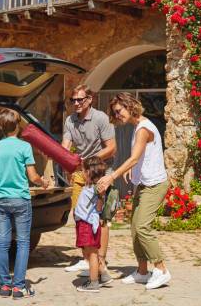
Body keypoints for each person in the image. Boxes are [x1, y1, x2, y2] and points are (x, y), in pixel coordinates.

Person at [97, 92, 171, 290]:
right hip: (144, 184)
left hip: (154, 185)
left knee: (142, 228)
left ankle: (161, 269)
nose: (118, 115)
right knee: (134, 228)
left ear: (129, 106)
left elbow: (135, 158)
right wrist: (130, 169)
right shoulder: (138, 126)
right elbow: (139, 156)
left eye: (119, 111)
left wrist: (112, 176)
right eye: (115, 112)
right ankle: (142, 271)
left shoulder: (143, 129)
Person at [0, 109, 48, 299]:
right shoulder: (24, 147)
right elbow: (32, 176)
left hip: (1, 199)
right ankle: (18, 287)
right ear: (18, 126)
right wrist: (43, 182)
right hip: (21, 199)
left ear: (0, 126)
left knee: (3, 242)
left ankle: (5, 285)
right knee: (23, 243)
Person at [61, 84, 117, 283]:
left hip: (102, 172)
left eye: (80, 99)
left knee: (101, 218)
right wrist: (59, 156)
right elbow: (65, 148)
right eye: (73, 100)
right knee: (80, 216)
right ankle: (88, 259)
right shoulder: (70, 120)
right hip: (81, 174)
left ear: (89, 99)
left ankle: (100, 261)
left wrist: (89, 161)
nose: (76, 103)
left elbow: (111, 148)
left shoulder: (101, 118)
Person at [74, 157, 107, 292]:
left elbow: (99, 209)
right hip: (85, 223)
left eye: (82, 170)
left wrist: (100, 196)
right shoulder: (90, 187)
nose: (81, 172)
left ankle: (93, 282)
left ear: (88, 172)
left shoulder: (95, 189)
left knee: (92, 254)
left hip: (87, 225)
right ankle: (103, 274)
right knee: (89, 253)